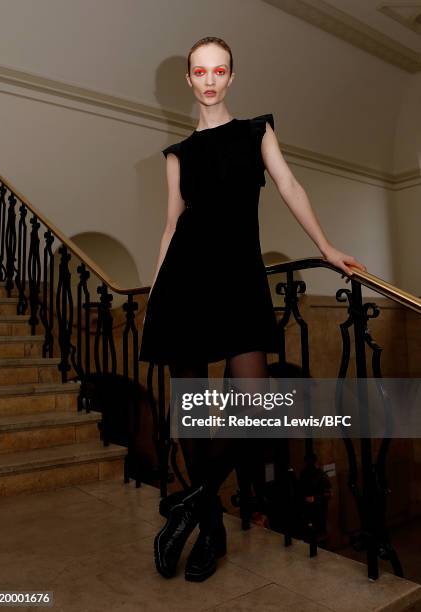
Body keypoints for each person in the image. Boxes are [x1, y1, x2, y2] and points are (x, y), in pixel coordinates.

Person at [139, 36, 367, 582]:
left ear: (231, 77)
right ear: (189, 81)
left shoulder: (256, 132)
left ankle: (188, 505)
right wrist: (154, 294)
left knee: (255, 405)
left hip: (239, 282)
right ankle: (210, 530)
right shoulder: (178, 155)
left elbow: (289, 184)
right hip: (185, 285)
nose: (210, 79)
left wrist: (328, 247)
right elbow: (173, 225)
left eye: (219, 70)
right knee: (192, 415)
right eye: (200, 71)